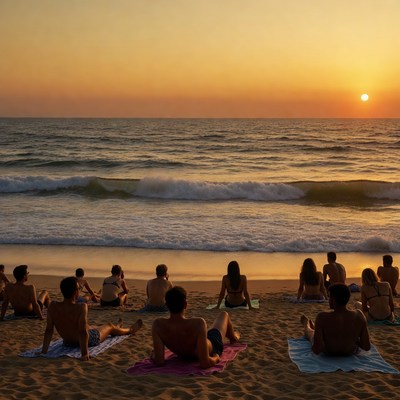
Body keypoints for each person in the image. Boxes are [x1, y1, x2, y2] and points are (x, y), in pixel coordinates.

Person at [41, 276, 143, 361]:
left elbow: (49, 330)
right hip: (88, 340)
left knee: (92, 327)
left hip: (67, 341)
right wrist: (84, 354)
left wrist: (44, 352)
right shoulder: (81, 307)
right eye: (78, 289)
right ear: (75, 292)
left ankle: (117, 328)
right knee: (109, 326)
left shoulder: (53, 306)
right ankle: (129, 330)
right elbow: (82, 331)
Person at [152, 286, 240, 368]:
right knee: (224, 315)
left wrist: (153, 356)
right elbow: (205, 363)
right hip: (213, 344)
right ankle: (233, 337)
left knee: (210, 331)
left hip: (186, 353)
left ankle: (233, 336)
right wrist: (216, 358)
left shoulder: (158, 325)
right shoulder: (198, 323)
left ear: (167, 306)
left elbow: (159, 361)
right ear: (185, 305)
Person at [301, 283, 370, 356]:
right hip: (349, 352)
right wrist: (353, 340)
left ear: (333, 300)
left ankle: (307, 325)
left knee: (310, 333)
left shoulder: (322, 317)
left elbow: (317, 349)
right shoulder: (359, 315)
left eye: (329, 297)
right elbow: (366, 346)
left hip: (329, 352)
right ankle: (314, 327)